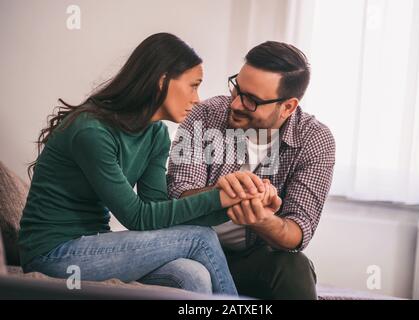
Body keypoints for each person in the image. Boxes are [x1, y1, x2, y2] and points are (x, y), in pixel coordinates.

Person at [18, 33, 276, 296]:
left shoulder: (155, 134)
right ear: (162, 81)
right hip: (53, 254)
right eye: (193, 85)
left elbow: (159, 211)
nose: (198, 99)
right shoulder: (91, 131)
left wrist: (238, 201)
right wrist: (220, 197)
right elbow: (138, 217)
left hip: (94, 246)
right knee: (201, 238)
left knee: (192, 274)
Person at [167, 41, 336, 299]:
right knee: (189, 273)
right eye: (237, 89)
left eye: (252, 101)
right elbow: (177, 198)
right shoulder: (205, 115)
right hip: (188, 250)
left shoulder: (315, 140)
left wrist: (261, 219)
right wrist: (226, 192)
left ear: (288, 107)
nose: (235, 105)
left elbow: (297, 233)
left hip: (249, 260)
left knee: (295, 267)